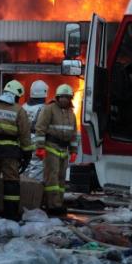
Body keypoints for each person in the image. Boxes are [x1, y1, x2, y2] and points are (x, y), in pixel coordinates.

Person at [0, 80, 33, 220]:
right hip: (10, 153)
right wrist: (27, 154)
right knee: (11, 183)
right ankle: (10, 214)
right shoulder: (18, 110)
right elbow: (25, 134)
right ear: (17, 95)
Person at [35, 84, 77, 215]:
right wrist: (40, 148)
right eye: (62, 97)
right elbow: (40, 128)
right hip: (51, 147)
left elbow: (73, 133)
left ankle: (58, 202)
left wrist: (74, 150)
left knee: (61, 179)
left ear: (70, 98)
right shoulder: (49, 109)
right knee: (52, 178)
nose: (65, 99)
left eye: (67, 97)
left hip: (64, 150)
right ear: (57, 97)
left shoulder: (71, 113)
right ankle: (52, 205)